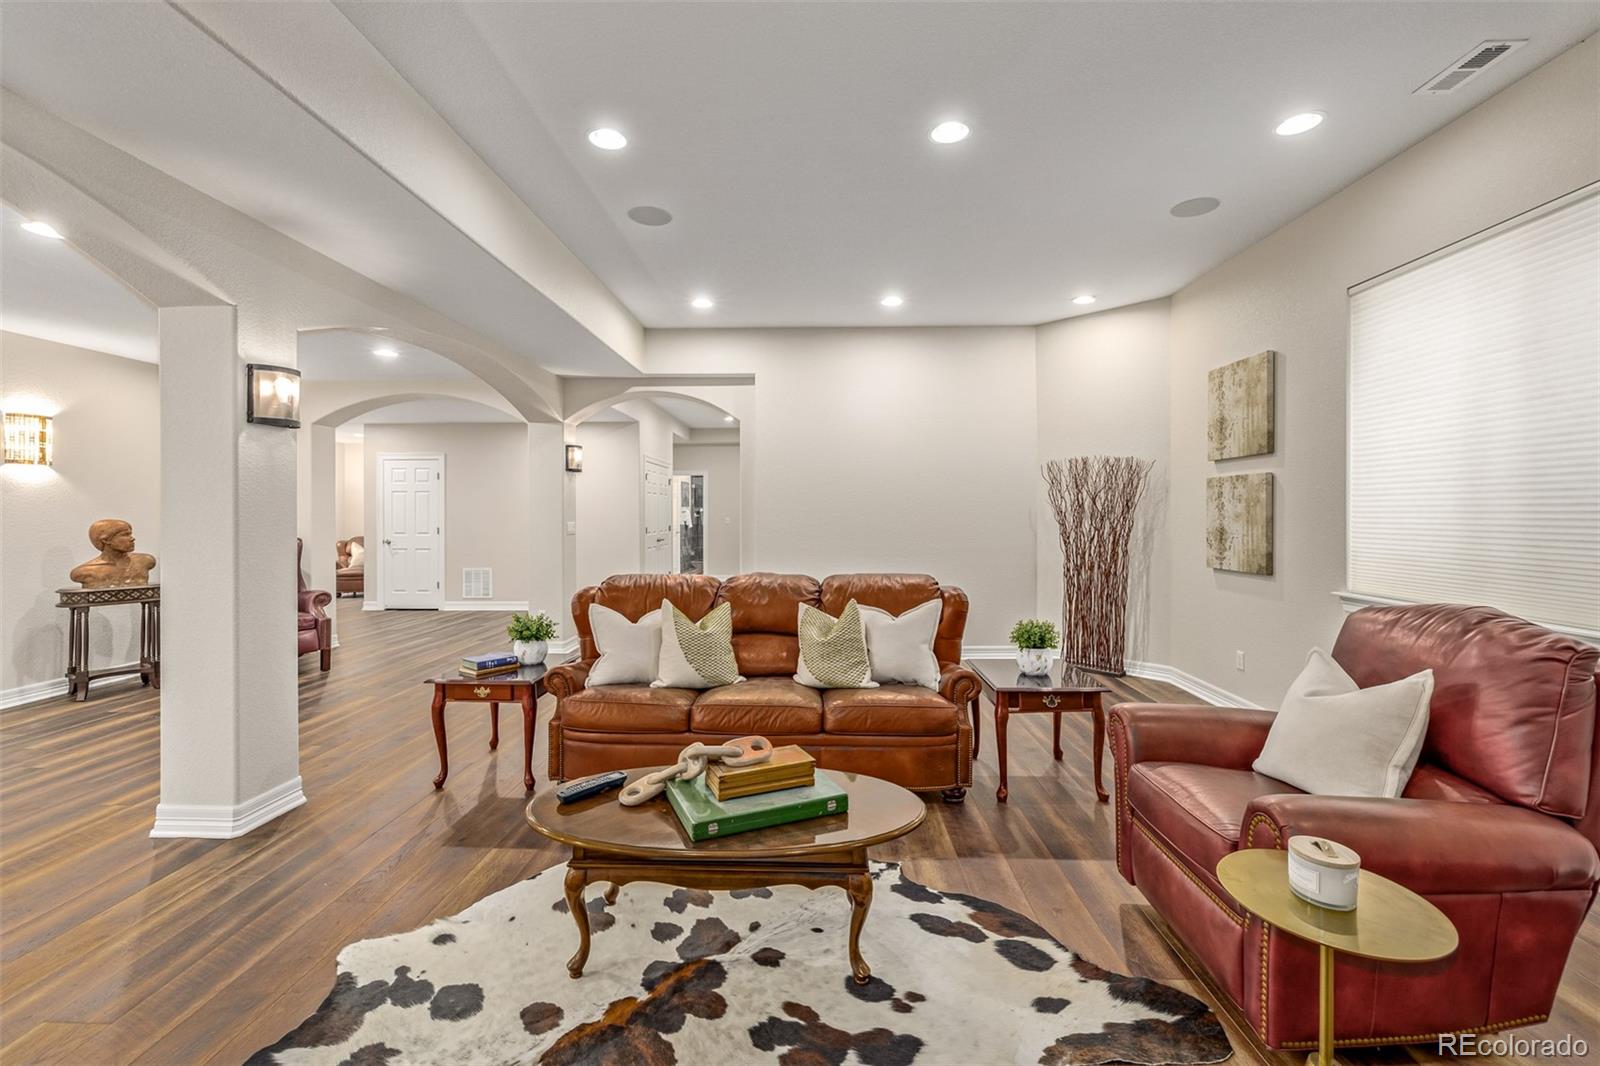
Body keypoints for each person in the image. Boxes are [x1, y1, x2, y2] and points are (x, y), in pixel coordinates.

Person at [69, 519, 157, 588]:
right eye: (125, 535)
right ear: (106, 540)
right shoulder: (84, 572)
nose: (132, 538)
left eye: (130, 534)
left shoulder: (146, 561)